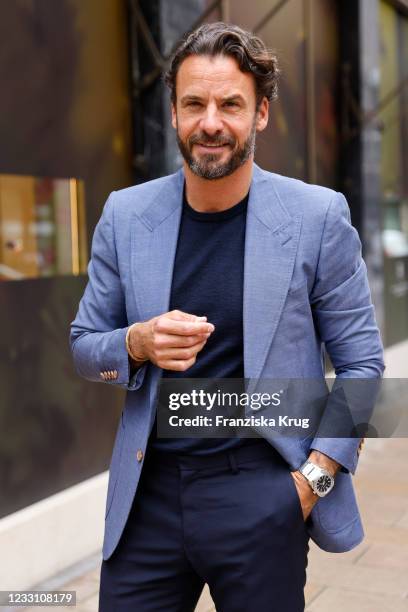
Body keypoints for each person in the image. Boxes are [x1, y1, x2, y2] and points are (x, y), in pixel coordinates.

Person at [70, 22, 385, 612]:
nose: (210, 122)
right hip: (148, 500)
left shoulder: (317, 218)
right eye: (194, 103)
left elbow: (363, 364)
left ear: (260, 113)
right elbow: (86, 347)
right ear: (173, 113)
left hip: (265, 493)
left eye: (230, 104)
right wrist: (136, 342)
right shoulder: (126, 215)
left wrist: (309, 485)